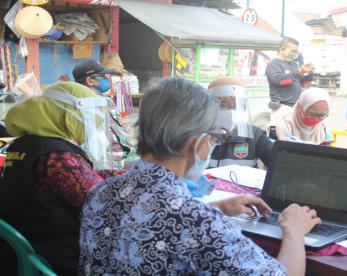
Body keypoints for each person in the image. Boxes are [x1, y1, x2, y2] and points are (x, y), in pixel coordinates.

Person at [79, 78, 321, 275]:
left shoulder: (100, 192)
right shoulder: (198, 220)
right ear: (201, 144)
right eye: (215, 136)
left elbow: (149, 218)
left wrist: (216, 207)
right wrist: (294, 230)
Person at [0, 82, 124, 275]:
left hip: (25, 245)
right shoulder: (56, 157)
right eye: (88, 117)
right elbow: (101, 203)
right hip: (54, 254)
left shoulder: (26, 144)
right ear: (67, 116)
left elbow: (84, 176)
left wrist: (127, 175)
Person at [73, 59, 137, 169]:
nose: (108, 79)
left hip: (126, 160)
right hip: (107, 166)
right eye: (104, 76)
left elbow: (121, 135)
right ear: (90, 80)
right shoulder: (80, 107)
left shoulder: (106, 101)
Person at [207, 77, 274, 168]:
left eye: (237, 106)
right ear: (210, 107)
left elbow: (278, 164)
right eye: (224, 105)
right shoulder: (199, 136)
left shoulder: (256, 135)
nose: (232, 111)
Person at [266, 37, 314, 130]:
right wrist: (299, 72)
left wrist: (309, 73)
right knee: (279, 135)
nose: (295, 54)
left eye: (296, 52)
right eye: (293, 51)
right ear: (282, 50)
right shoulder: (273, 64)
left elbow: (302, 82)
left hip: (296, 107)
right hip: (282, 108)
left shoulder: (294, 64)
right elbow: (279, 80)